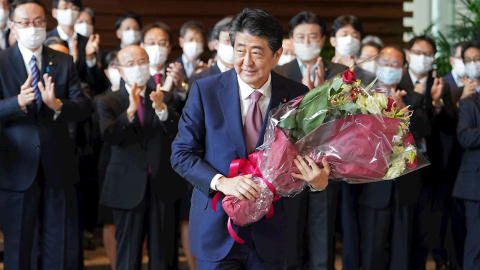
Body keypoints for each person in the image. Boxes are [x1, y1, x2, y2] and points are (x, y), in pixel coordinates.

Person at [171, 8, 330, 269]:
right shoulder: (206, 90)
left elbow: (309, 157)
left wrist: (318, 181)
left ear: (277, 55)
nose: (246, 61)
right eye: (240, 50)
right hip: (216, 227)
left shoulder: (296, 95)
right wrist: (222, 183)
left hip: (272, 232)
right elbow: (181, 154)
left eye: (256, 52)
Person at [0, 1, 92, 269]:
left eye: (38, 21)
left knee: (59, 245)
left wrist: (58, 105)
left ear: (46, 23)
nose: (32, 28)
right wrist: (15, 102)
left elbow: (84, 106)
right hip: (16, 167)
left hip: (58, 166)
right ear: (13, 27)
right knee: (18, 247)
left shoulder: (63, 60)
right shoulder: (2, 62)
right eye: (25, 23)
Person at [96, 45, 182, 270]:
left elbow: (178, 132)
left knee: (164, 256)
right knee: (128, 255)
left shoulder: (164, 95)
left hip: (162, 184)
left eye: (142, 62)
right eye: (131, 64)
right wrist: (130, 113)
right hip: (126, 186)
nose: (138, 68)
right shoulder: (109, 101)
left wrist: (162, 108)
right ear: (120, 70)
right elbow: (108, 137)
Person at [273, 11, 347, 270]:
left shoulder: (341, 73)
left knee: (321, 233)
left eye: (312, 36)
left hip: (325, 168)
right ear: (291, 39)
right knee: (289, 238)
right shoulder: (279, 72)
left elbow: (350, 122)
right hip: (287, 169)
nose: (307, 41)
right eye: (300, 36)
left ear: (323, 39)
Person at [399, 35, 455, 270]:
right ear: (409, 54)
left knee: (426, 227)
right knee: (403, 229)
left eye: (428, 54)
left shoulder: (441, 85)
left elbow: (450, 127)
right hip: (401, 168)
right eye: (418, 53)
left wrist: (438, 105)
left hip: (431, 168)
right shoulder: (397, 82)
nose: (423, 58)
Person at [453, 41, 480, 270]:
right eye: (469, 60)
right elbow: (465, 137)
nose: (475, 64)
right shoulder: (468, 101)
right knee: (476, 243)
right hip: (475, 184)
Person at [189, 16, 234, 85]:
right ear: (216, 44)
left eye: (235, 41)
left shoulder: (250, 75)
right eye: (227, 40)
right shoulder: (201, 79)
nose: (232, 45)